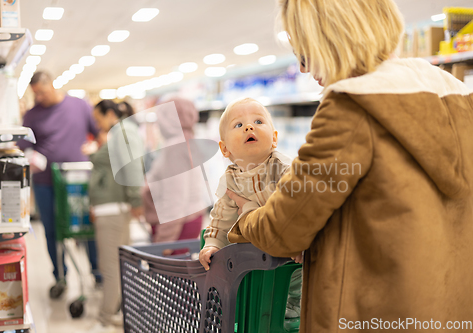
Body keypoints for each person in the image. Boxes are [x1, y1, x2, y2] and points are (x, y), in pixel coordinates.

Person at [226, 0, 473, 332]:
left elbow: (283, 229)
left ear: (327, 39)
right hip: (446, 313)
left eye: (303, 52)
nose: (302, 69)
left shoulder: (351, 107)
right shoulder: (457, 98)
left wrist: (244, 217)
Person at [198, 97, 302, 318]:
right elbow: (221, 218)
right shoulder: (230, 180)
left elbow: (300, 210)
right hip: (254, 259)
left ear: (274, 138)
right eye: (238, 125)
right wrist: (213, 244)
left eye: (258, 121)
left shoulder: (285, 170)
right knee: (250, 293)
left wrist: (300, 241)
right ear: (225, 149)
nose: (249, 127)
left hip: (290, 256)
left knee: (296, 282)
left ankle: (295, 307)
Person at [17, 71, 100, 295]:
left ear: (52, 85)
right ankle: (60, 276)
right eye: (35, 94)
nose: (39, 98)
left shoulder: (79, 106)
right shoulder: (33, 115)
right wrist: (31, 157)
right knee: (52, 229)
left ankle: (97, 271)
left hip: (78, 179)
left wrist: (95, 148)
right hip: (45, 181)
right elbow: (23, 145)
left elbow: (98, 132)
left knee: (86, 225)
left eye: (42, 93)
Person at [83, 100, 143, 331]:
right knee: (115, 266)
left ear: (109, 114)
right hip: (110, 208)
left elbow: (133, 166)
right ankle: (114, 313)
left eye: (98, 120)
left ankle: (105, 318)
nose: (98, 125)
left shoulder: (124, 132)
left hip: (113, 210)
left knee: (110, 267)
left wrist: (136, 199)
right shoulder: (119, 133)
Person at [141, 97, 206, 245]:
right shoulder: (187, 141)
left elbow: (175, 200)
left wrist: (164, 242)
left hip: (177, 228)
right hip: (188, 221)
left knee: (171, 267)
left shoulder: (175, 148)